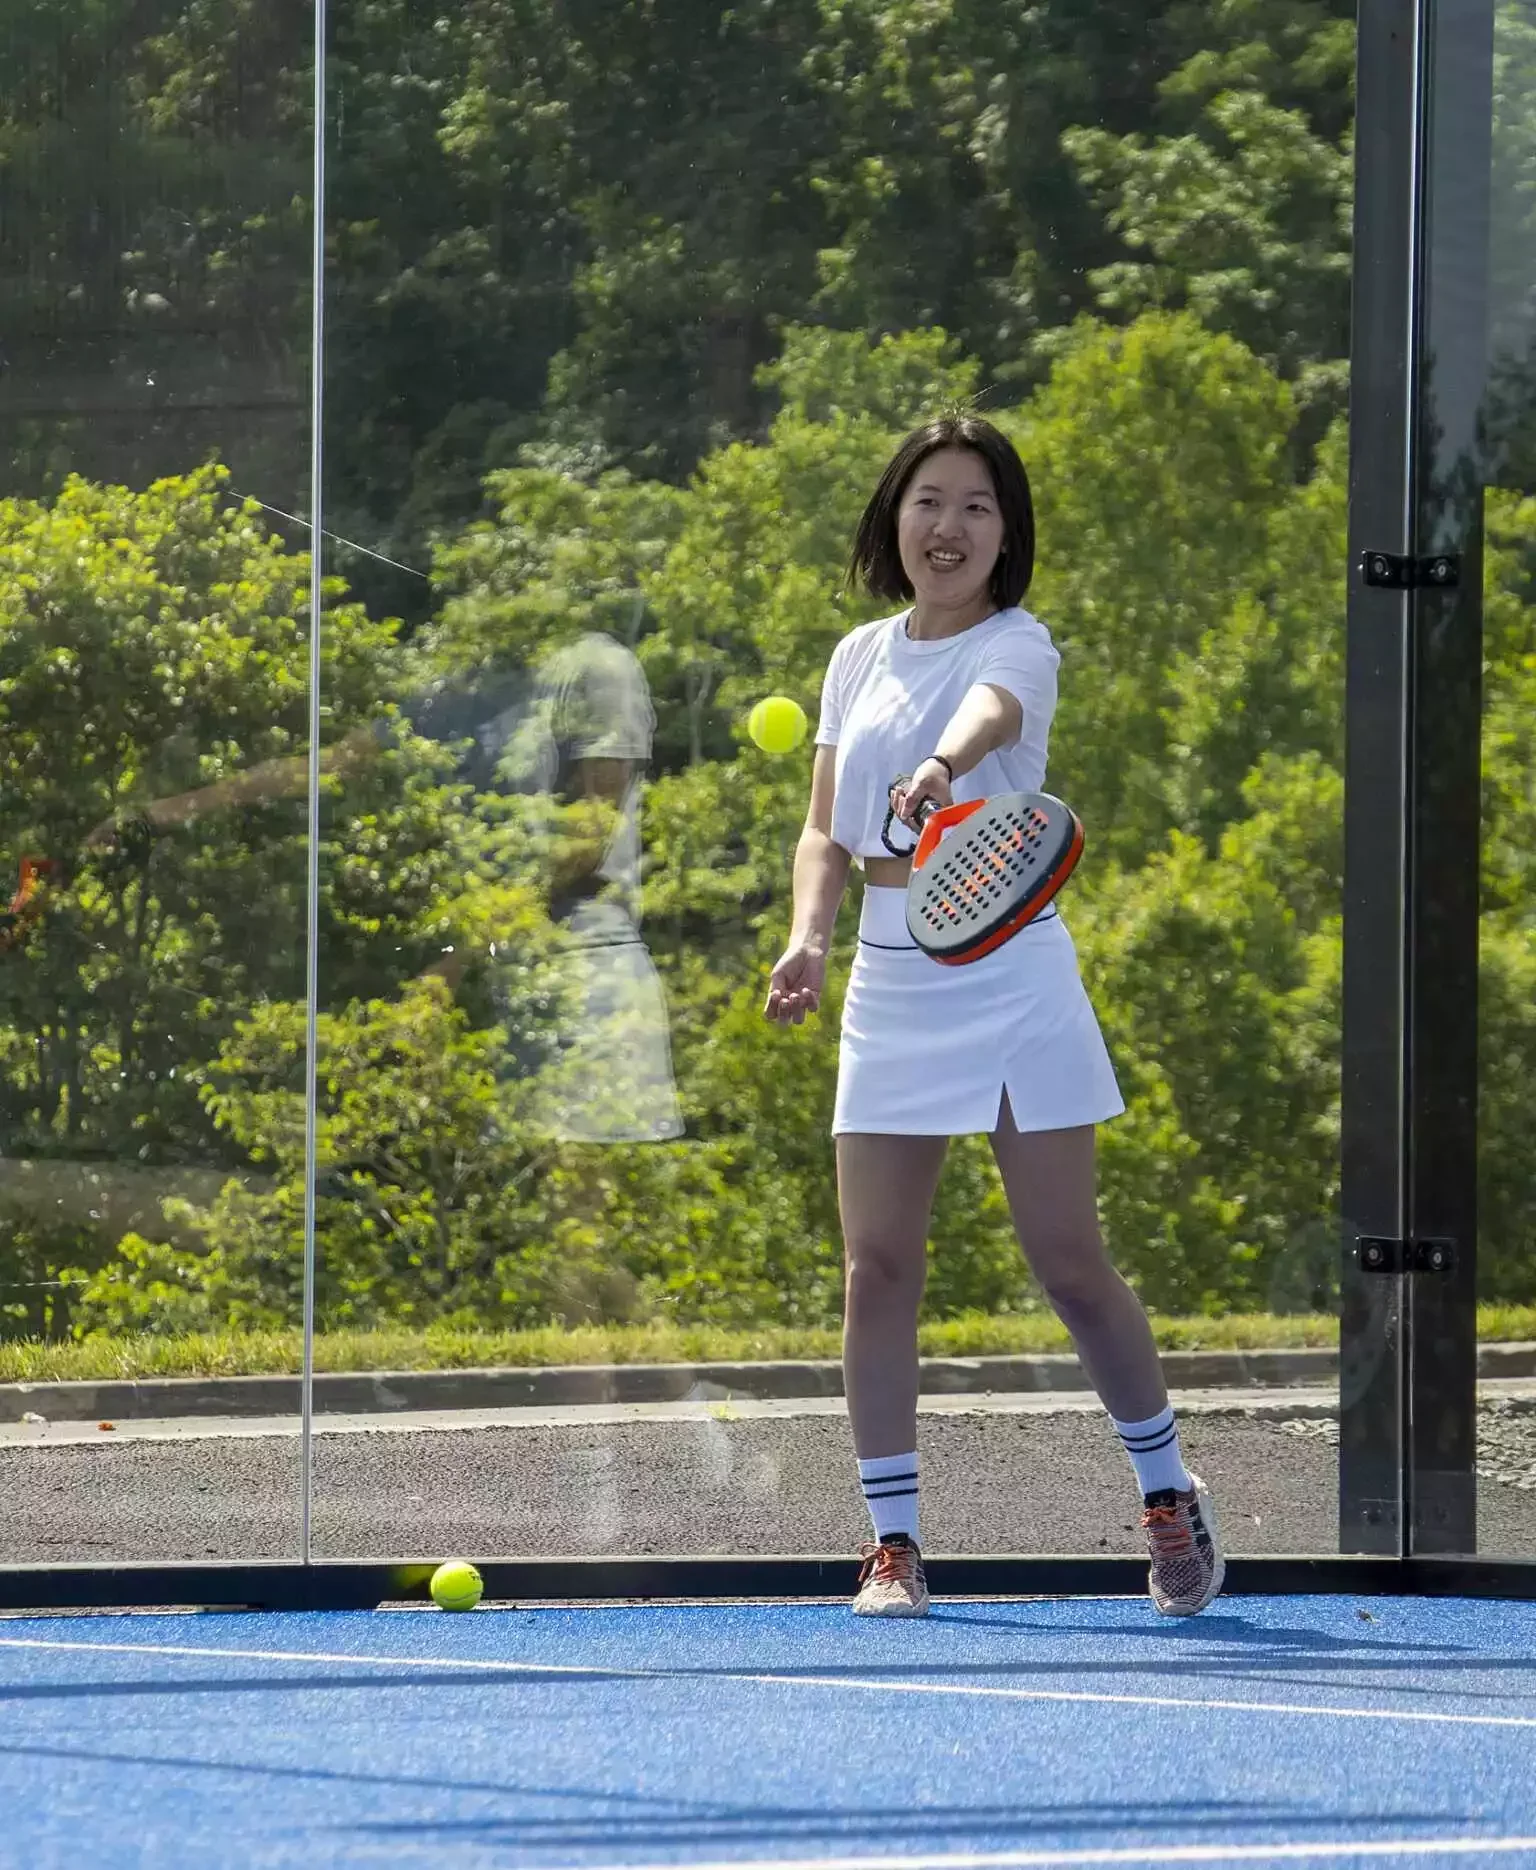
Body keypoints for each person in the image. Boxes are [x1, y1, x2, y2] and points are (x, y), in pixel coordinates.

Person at [763, 415, 1224, 1619]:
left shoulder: (1021, 644)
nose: (949, 524)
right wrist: (808, 937)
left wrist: (935, 769)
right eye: (928, 500)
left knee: (1069, 1262)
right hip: (888, 973)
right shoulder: (858, 654)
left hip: (1013, 974)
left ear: (1005, 532)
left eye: (976, 504)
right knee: (876, 1267)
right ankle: (895, 1543)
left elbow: (991, 725)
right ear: (894, 519)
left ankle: (1170, 1495)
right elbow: (825, 826)